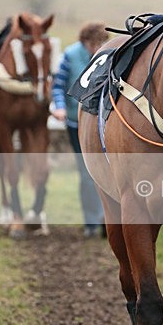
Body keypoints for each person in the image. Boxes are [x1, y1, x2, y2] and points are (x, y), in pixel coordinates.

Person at [51, 22, 109, 237]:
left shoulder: (107, 55)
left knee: (106, 173)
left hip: (102, 123)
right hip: (76, 123)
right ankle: (91, 222)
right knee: (87, 174)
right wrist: (59, 107)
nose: (98, 47)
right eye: (95, 43)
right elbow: (58, 86)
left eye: (102, 43)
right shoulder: (70, 55)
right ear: (85, 41)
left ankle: (107, 220)